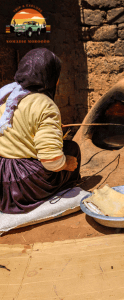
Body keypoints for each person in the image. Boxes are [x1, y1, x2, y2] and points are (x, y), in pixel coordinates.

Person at [0, 48, 80, 214]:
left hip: (1, 176)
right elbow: (51, 161)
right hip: (19, 185)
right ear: (51, 78)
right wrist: (66, 163)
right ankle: (63, 187)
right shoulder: (45, 105)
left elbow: (15, 129)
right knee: (72, 149)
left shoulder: (7, 95)